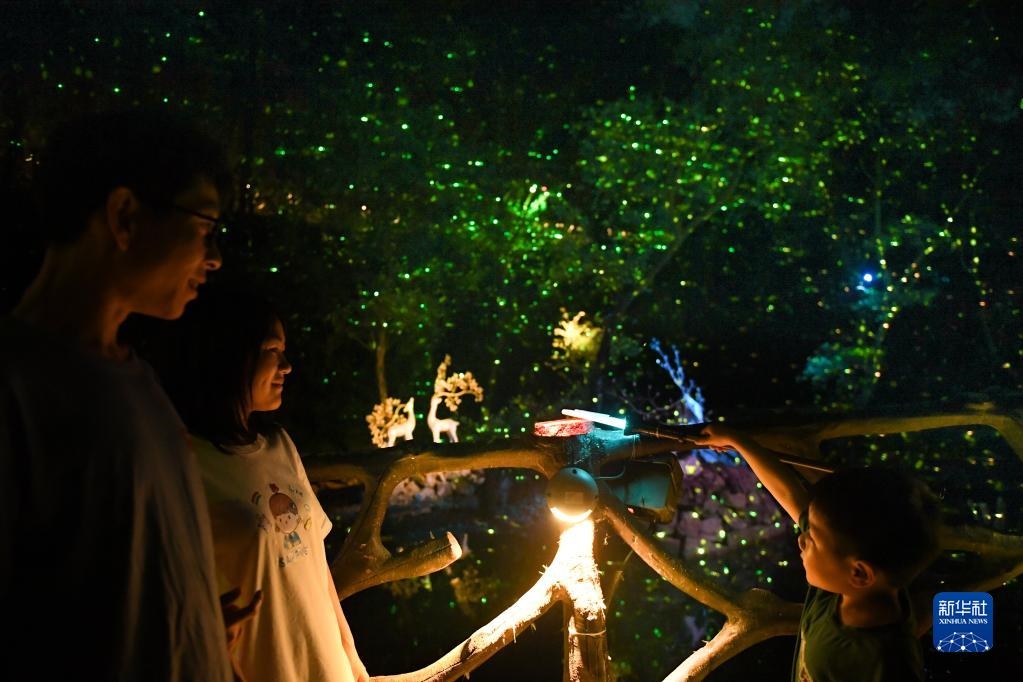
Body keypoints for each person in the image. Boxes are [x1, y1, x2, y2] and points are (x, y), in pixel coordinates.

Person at [0, 109, 256, 680]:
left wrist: (195, 629)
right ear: (125, 216)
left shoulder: (139, 382)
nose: (215, 257)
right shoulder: (19, 388)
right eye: (204, 226)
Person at [142, 286, 369, 682]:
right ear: (231, 356)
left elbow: (316, 570)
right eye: (272, 350)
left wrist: (353, 661)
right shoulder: (184, 463)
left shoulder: (280, 446)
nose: (287, 366)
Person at [691, 424, 941, 682]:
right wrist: (738, 441)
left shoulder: (883, 663)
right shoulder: (843, 586)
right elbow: (789, 493)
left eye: (813, 539)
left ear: (859, 572)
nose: (801, 539)